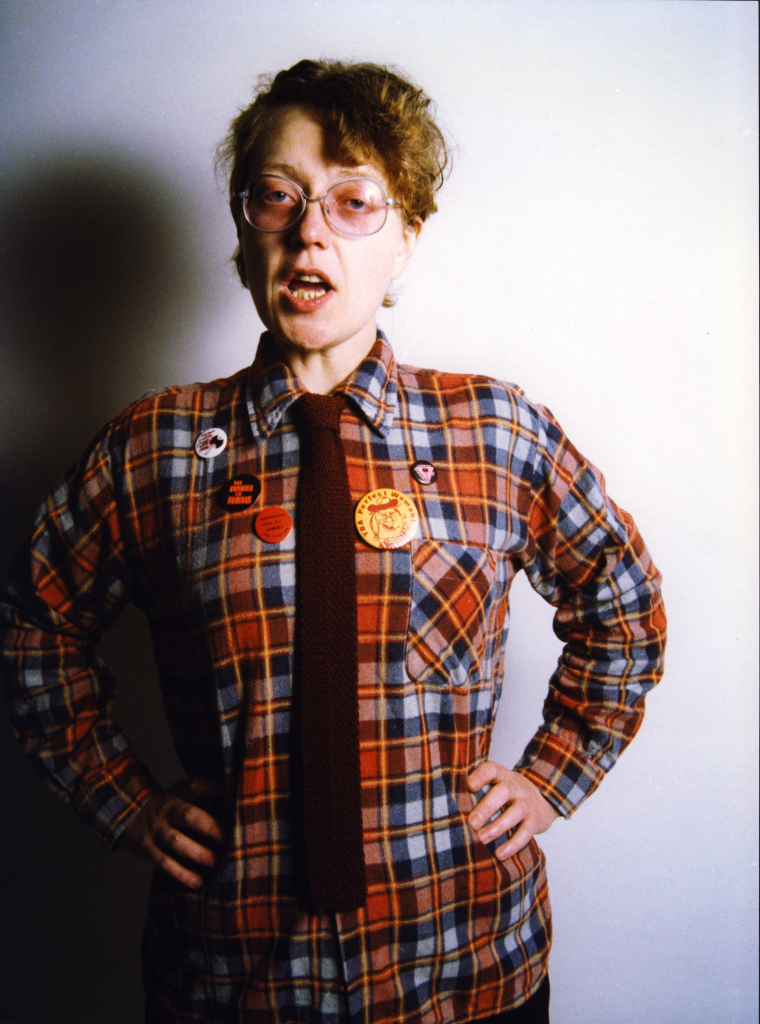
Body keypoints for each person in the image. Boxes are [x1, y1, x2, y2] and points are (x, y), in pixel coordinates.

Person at [0, 59, 666, 1024]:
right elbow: (32, 624)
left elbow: (623, 604)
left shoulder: (498, 432)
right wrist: (123, 796)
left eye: (354, 201)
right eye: (277, 196)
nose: (310, 229)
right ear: (243, 229)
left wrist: (551, 777)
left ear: (406, 240)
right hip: (233, 978)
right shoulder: (152, 448)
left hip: (467, 965)